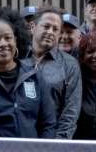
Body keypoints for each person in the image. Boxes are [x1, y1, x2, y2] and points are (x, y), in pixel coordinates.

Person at [0, 7, 57, 138]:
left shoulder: (35, 78)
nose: (3, 43)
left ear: (16, 41)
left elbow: (48, 124)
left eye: (8, 37)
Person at [23, 9, 81, 139]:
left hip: (53, 143)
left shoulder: (70, 65)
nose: (50, 32)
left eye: (55, 29)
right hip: (18, 143)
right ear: (33, 27)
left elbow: (70, 113)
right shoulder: (17, 58)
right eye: (46, 26)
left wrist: (57, 145)